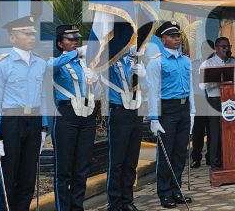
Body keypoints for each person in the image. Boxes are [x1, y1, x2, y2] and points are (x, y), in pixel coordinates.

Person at [0, 16, 48, 211]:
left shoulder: (40, 63)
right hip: (11, 121)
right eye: (27, 33)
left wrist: (43, 127)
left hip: (34, 121)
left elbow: (43, 97)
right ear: (13, 38)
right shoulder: (2, 64)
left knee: (28, 175)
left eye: (33, 33)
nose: (32, 37)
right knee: (8, 174)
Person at [49, 25, 101, 211]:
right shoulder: (56, 62)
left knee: (82, 166)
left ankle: (77, 206)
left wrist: (96, 80)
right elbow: (50, 67)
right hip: (67, 116)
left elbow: (97, 93)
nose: (74, 42)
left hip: (87, 116)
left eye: (76, 39)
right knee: (64, 169)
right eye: (70, 39)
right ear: (60, 43)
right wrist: (76, 53)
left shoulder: (86, 65)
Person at [146, 21, 194, 209]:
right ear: (162, 39)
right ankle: (164, 192)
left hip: (183, 109)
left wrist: (193, 112)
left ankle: (177, 189)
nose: (177, 38)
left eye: (178, 36)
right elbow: (152, 91)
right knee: (167, 153)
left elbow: (190, 89)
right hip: (167, 110)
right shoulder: (156, 62)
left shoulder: (186, 60)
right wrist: (153, 118)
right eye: (172, 36)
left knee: (180, 152)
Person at [103, 44, 147, 211]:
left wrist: (143, 75)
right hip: (119, 112)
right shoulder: (112, 61)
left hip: (136, 113)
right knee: (117, 162)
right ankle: (114, 203)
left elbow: (148, 87)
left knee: (131, 161)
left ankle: (127, 200)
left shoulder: (137, 61)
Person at [199, 36, 235, 168]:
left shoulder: (233, 62)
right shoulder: (207, 64)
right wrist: (217, 81)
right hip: (215, 101)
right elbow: (202, 86)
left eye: (228, 46)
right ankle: (215, 163)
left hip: (230, 101)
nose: (226, 48)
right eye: (223, 46)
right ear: (216, 48)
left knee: (231, 131)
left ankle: (230, 160)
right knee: (215, 133)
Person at [190, 39, 215, 169]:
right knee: (198, 131)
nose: (205, 50)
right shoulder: (194, 64)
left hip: (212, 100)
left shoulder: (216, 64)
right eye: (203, 48)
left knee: (212, 130)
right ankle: (196, 158)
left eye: (207, 48)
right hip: (198, 100)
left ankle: (211, 157)